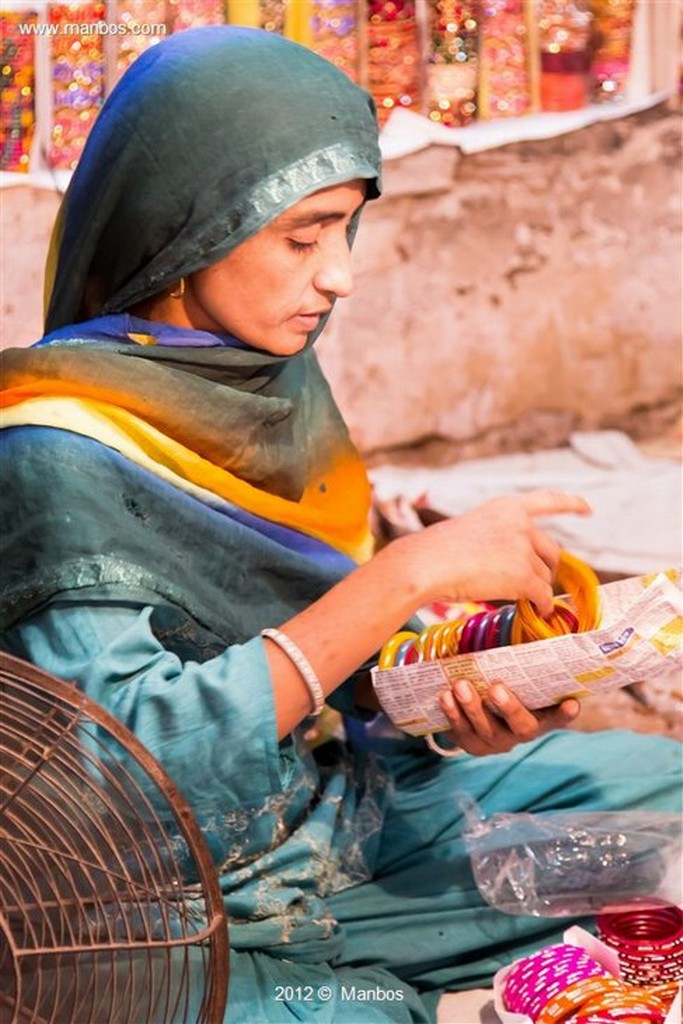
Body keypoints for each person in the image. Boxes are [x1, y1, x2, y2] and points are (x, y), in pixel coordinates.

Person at [1, 26, 679, 1024]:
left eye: (348, 229)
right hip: (177, 905)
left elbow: (323, 655)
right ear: (184, 224)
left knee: (666, 808)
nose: (339, 277)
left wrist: (451, 697)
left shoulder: (264, 385)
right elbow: (118, 780)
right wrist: (400, 577)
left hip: (350, 812)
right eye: (302, 235)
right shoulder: (51, 457)